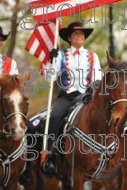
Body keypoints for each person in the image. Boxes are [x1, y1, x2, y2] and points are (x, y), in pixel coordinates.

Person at [41, 22, 103, 175]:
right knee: (54, 117)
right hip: (67, 96)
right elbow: (49, 78)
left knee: (102, 116)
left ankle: (105, 152)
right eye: (76, 34)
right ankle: (50, 154)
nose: (80, 36)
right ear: (69, 37)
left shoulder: (92, 56)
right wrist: (51, 61)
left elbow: (98, 78)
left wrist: (94, 86)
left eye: (82, 34)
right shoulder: (61, 55)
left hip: (86, 97)